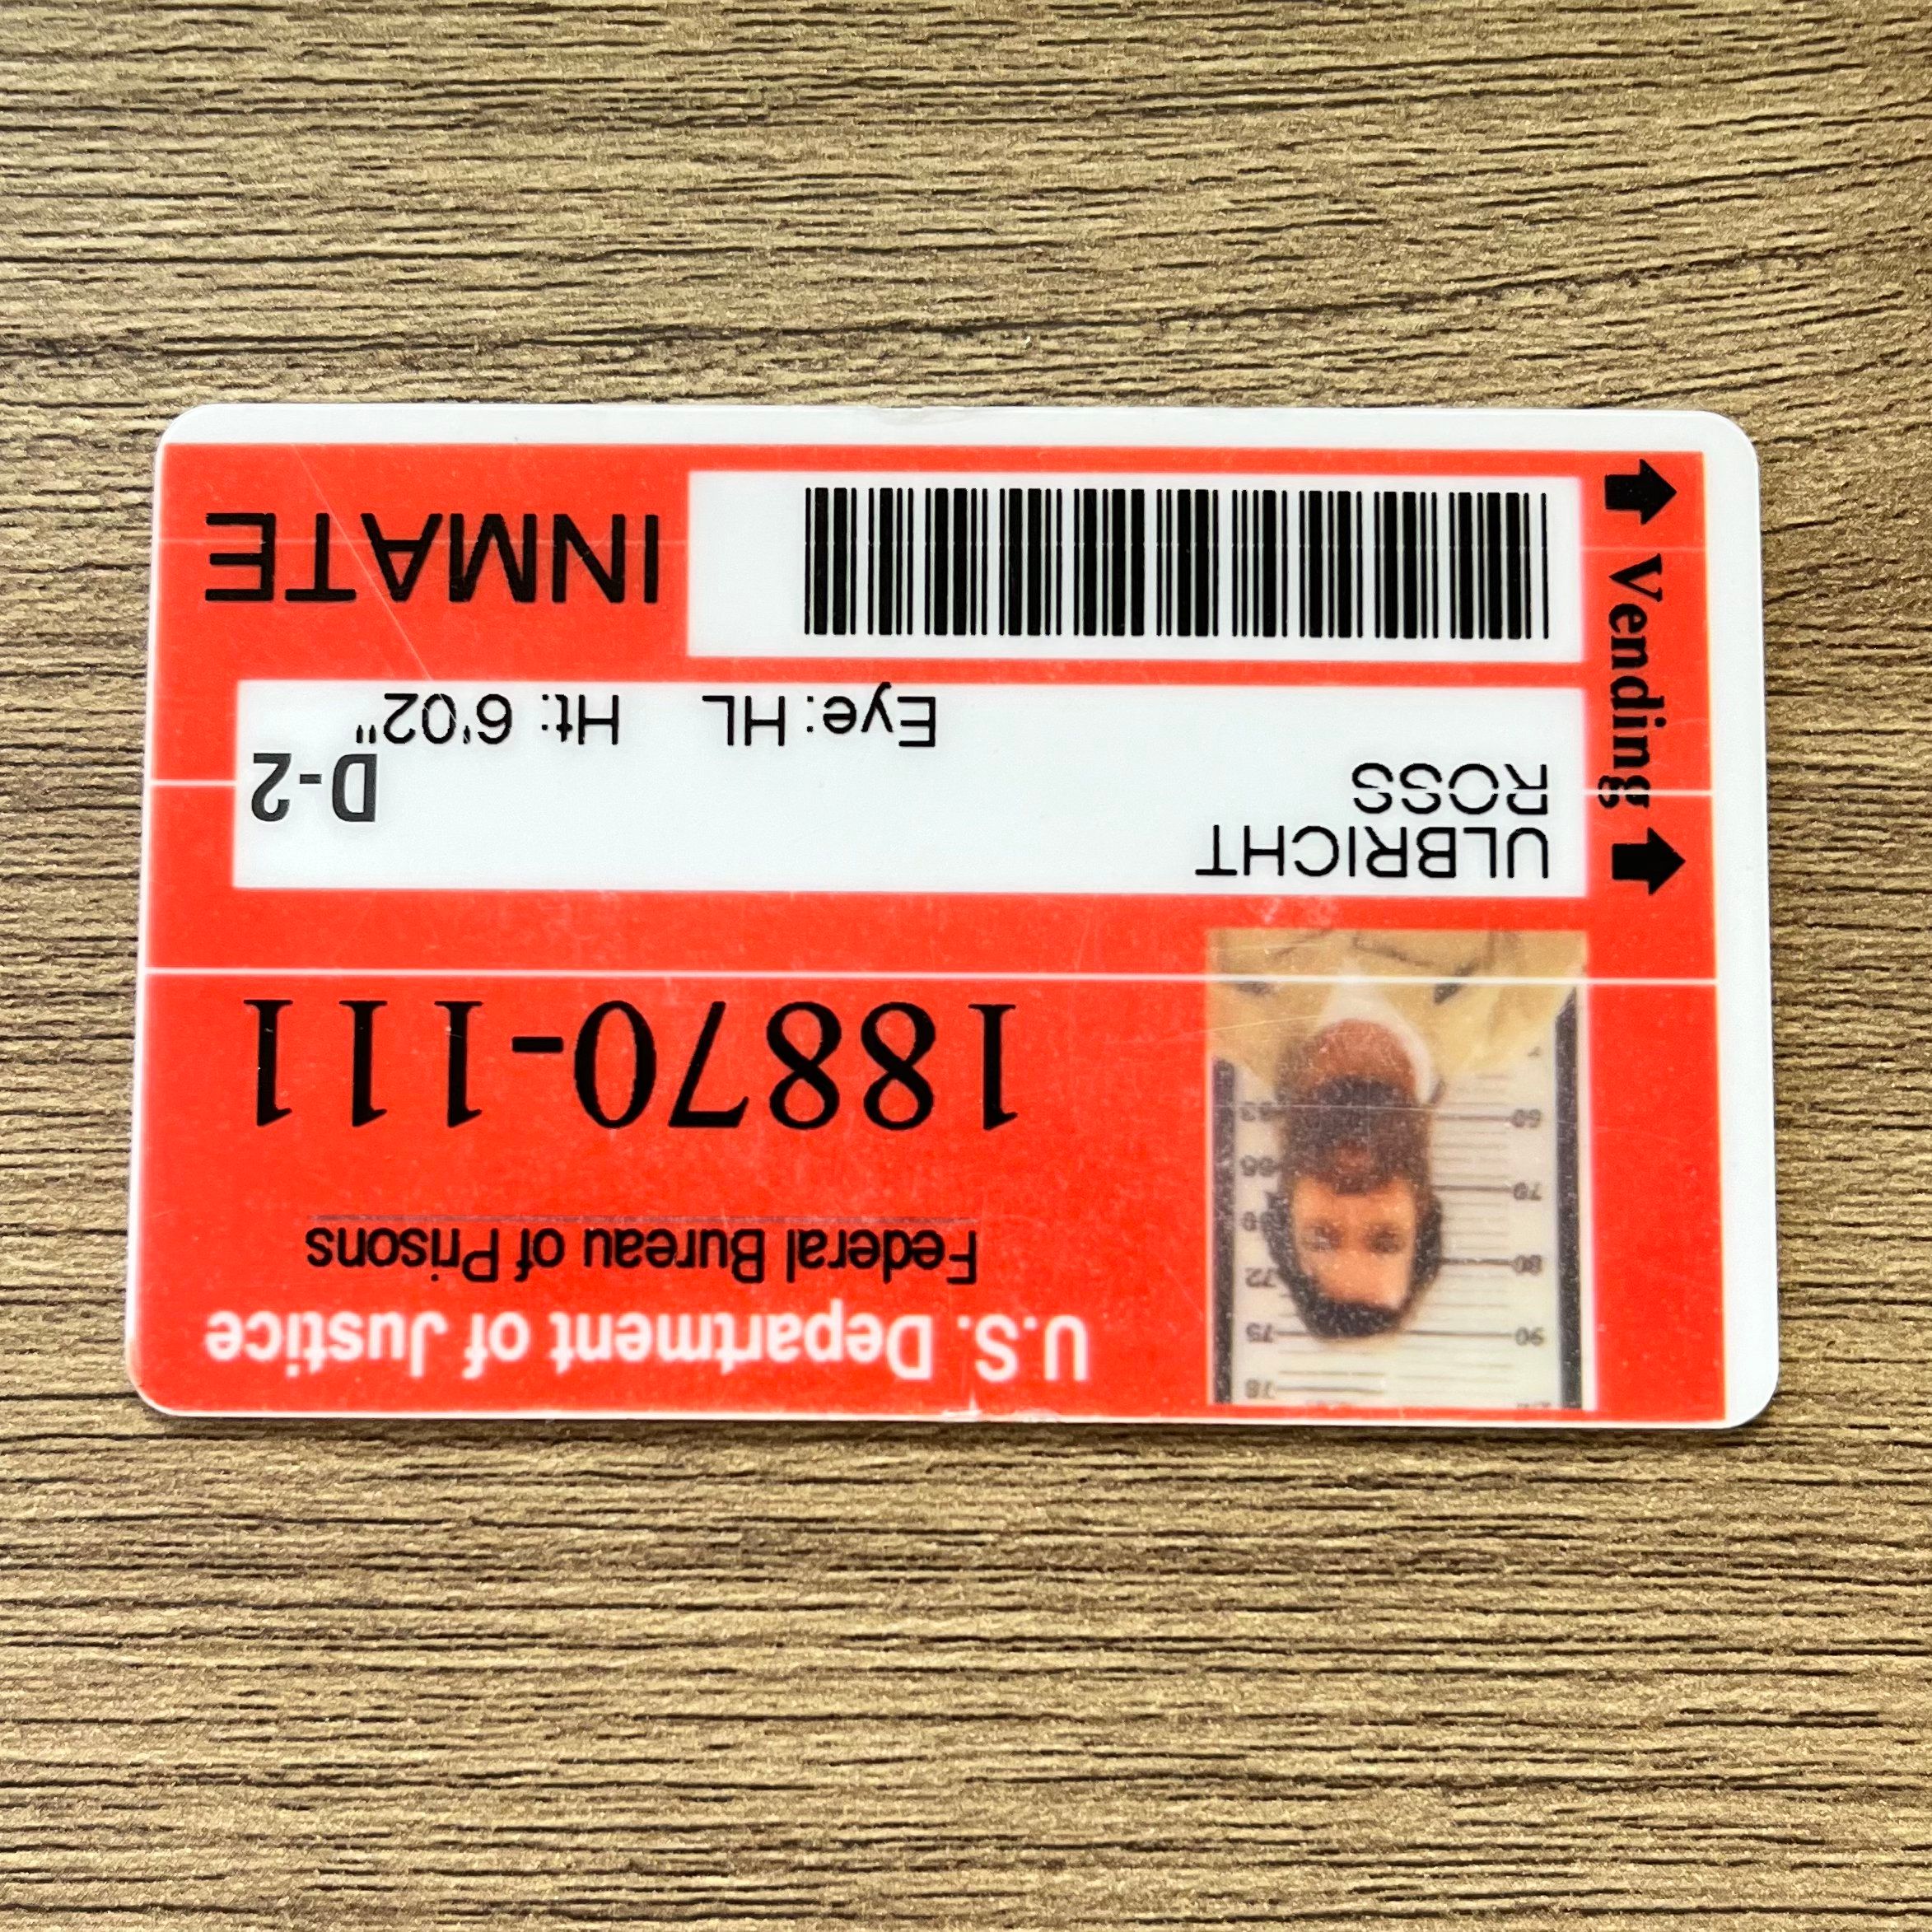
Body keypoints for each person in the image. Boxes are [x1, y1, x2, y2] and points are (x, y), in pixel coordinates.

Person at [1209, 929, 1585, 1339]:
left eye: (1322, 1234)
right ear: (1421, 1207)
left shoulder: (1209, 1008)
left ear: (1286, 1206)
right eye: (1385, 1238)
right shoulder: (1510, 1016)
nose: (1353, 1204)